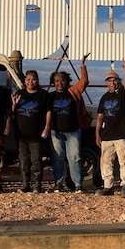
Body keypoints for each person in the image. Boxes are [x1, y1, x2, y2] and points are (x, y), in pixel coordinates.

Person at [48, 54, 91, 193]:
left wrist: (82, 64)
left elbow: (84, 81)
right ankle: (58, 184)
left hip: (73, 131)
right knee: (58, 159)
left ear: (67, 81)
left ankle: (77, 184)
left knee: (75, 158)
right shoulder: (51, 96)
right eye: (56, 80)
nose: (59, 82)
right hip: (56, 132)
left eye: (62, 80)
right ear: (53, 83)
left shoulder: (73, 91)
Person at [95, 57, 125, 197]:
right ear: (106, 83)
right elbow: (100, 117)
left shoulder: (123, 94)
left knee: (124, 160)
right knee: (106, 161)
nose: (112, 82)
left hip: (121, 134)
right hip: (107, 135)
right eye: (109, 80)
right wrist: (97, 134)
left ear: (118, 82)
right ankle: (108, 186)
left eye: (114, 80)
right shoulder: (104, 98)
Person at [12, 70, 51, 193]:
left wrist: (47, 127)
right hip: (21, 134)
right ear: (24, 81)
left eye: (33, 79)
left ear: (37, 80)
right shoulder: (19, 93)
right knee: (23, 160)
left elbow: (48, 112)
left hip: (36, 135)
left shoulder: (43, 95)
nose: (30, 82)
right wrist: (14, 104)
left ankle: (37, 185)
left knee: (36, 160)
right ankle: (25, 184)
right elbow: (12, 111)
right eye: (28, 79)